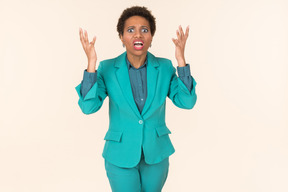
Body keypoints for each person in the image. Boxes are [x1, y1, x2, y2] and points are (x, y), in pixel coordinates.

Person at [75, 6, 197, 192]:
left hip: (156, 155)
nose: (138, 35)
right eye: (130, 30)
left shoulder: (164, 67)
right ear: (122, 37)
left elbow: (187, 102)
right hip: (119, 155)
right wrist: (91, 64)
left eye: (144, 30)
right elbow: (88, 107)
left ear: (151, 37)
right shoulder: (107, 68)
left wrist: (181, 61)